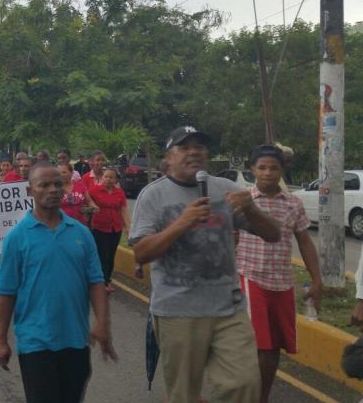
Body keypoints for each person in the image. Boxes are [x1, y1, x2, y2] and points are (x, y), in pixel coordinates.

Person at [129, 126, 280, 403]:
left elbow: (273, 234)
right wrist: (182, 223)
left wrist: (250, 209)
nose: (194, 151)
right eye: (184, 147)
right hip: (178, 311)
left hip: (228, 309)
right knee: (183, 395)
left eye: (199, 146)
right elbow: (140, 252)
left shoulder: (226, 189)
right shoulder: (153, 195)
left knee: (244, 384)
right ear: (169, 157)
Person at [0, 162, 116, 403]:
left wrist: (103, 323)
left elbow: (96, 281)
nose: (52, 189)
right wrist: (0, 341)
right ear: (30, 191)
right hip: (36, 342)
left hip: (76, 340)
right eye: (44, 185)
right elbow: (6, 292)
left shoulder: (81, 234)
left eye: (58, 184)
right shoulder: (17, 238)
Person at [236, 145, 323, 402]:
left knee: (273, 346)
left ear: (282, 170)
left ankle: (262, 396)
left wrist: (317, 279)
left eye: (274, 168)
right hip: (250, 277)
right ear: (252, 170)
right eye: (262, 168)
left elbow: (305, 242)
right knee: (258, 344)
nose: (267, 173)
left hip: (282, 282)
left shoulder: (293, 203)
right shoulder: (243, 200)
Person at [87, 168, 130, 292]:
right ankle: (100, 282)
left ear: (116, 180)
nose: (108, 179)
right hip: (99, 228)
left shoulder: (119, 192)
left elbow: (123, 210)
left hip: (115, 229)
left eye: (111, 177)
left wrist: (128, 227)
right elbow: (86, 203)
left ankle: (106, 279)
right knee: (101, 255)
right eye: (106, 176)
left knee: (111, 256)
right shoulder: (94, 190)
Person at [59, 162, 95, 226]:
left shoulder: (80, 186)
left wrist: (92, 207)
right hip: (63, 224)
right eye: (59, 173)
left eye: (64, 172)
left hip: (80, 224)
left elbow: (89, 201)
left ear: (71, 173)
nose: (61, 175)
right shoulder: (56, 189)